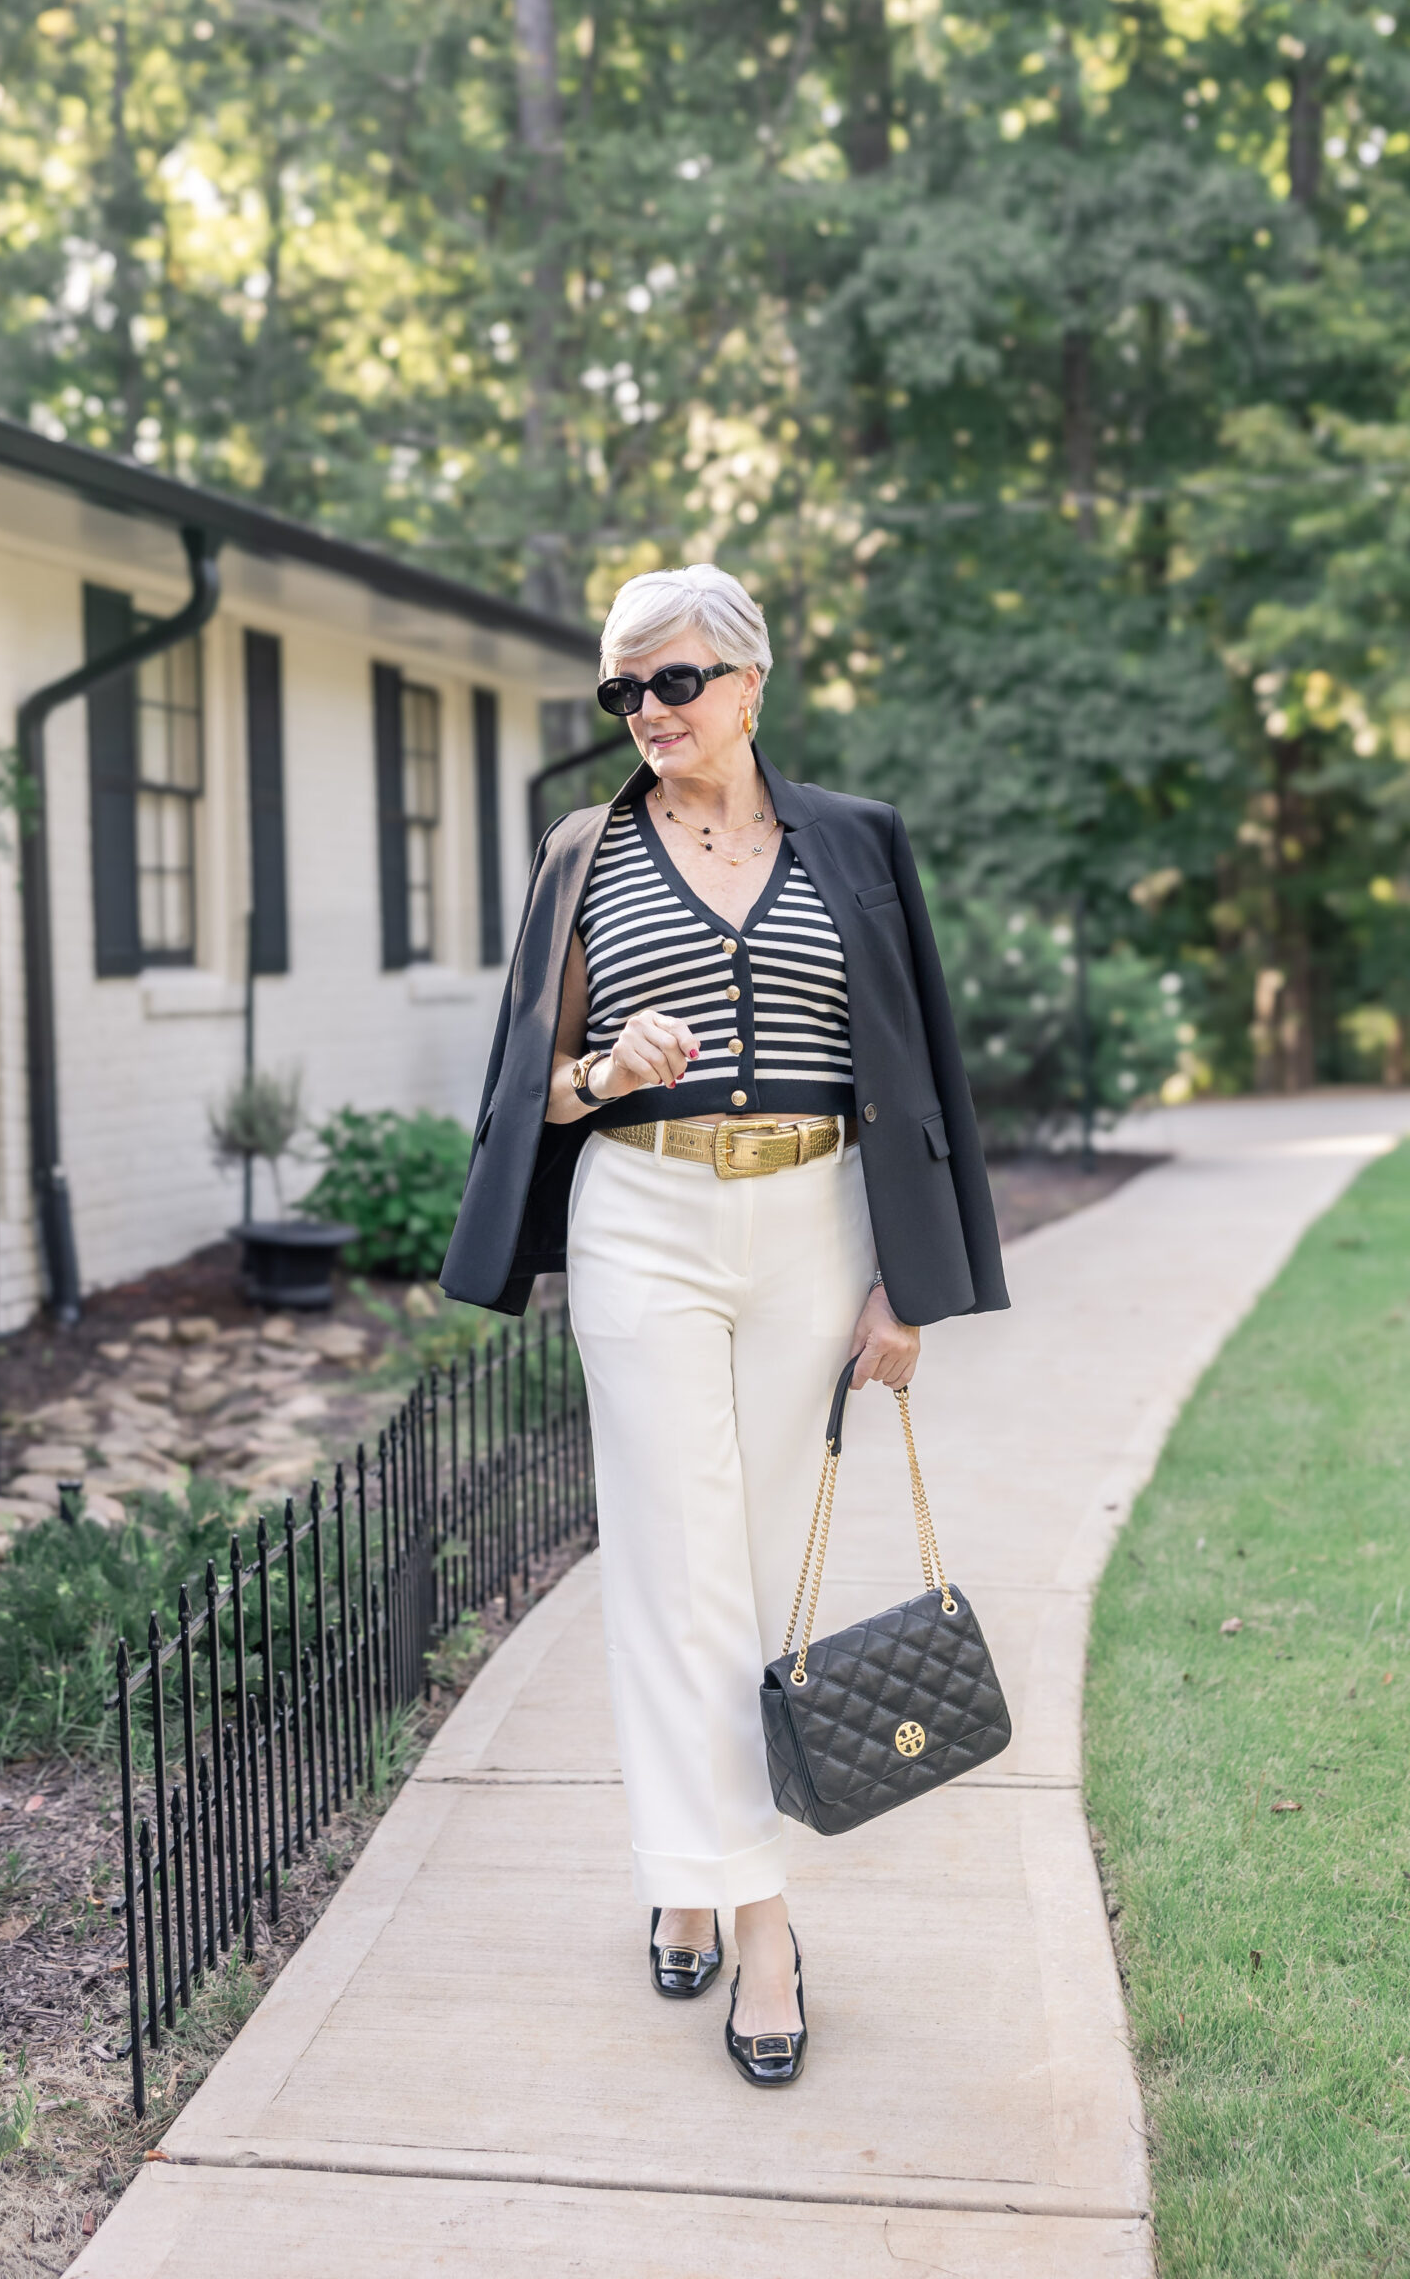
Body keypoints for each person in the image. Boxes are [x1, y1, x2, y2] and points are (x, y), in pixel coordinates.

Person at [440, 563, 1006, 2087]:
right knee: (681, 1568)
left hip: (814, 1223)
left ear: (749, 682)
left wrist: (908, 1281)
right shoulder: (584, 855)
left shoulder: (856, 845)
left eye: (673, 682)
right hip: (646, 1221)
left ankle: (682, 1867)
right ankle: (762, 1922)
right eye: (621, 692)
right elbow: (525, 1093)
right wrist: (608, 1071)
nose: (648, 714)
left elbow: (919, 1067)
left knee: (748, 1573)